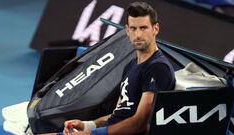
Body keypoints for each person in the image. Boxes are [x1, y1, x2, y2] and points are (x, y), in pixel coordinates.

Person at [46, 1, 175, 135]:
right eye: (133, 28)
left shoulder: (158, 68)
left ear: (155, 29)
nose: (138, 35)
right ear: (127, 30)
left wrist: (92, 134)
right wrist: (87, 125)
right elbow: (118, 114)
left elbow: (140, 123)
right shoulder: (131, 65)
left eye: (143, 28)